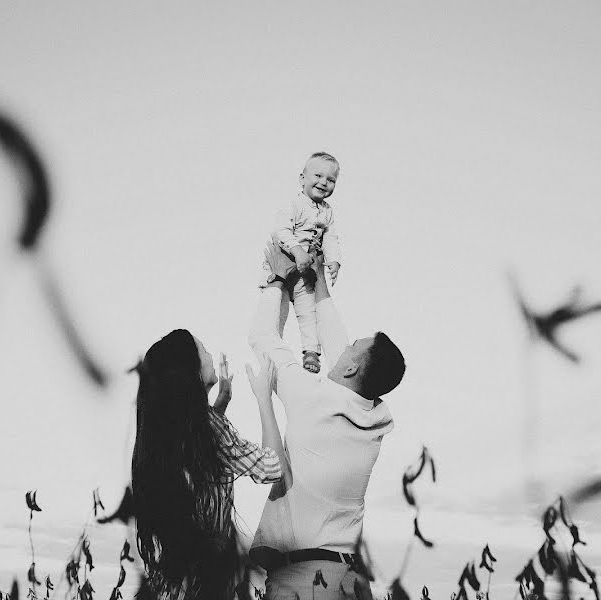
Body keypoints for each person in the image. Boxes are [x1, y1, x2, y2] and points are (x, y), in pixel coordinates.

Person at [248, 244, 406, 600]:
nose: (345, 345)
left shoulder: (313, 398)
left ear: (351, 367)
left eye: (353, 346)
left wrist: (276, 280)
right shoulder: (375, 416)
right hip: (350, 579)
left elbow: (262, 338)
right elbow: (339, 345)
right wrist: (318, 280)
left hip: (306, 580)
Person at [130, 329, 287, 600]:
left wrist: (220, 402)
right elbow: (273, 468)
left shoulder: (168, 431)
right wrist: (264, 398)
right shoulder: (209, 426)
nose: (211, 354)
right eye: (203, 349)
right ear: (190, 371)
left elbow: (203, 457)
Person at [260, 152, 343, 374]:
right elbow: (280, 231)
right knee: (278, 311)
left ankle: (311, 353)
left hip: (305, 275)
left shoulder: (327, 212)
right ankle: (270, 352)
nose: (324, 182)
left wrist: (334, 261)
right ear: (302, 179)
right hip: (283, 265)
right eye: (318, 175)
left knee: (309, 313)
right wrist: (297, 251)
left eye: (331, 179)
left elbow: (331, 238)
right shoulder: (294, 204)